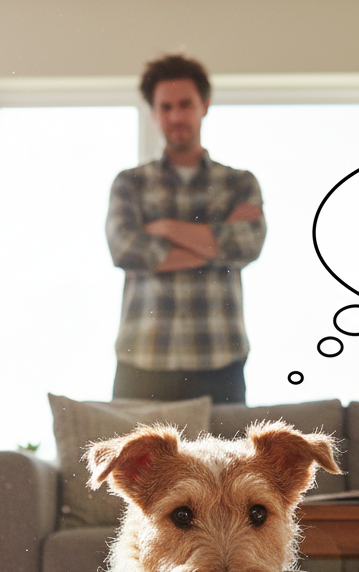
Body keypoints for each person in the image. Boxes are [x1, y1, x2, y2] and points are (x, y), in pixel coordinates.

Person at [106, 54, 266, 404]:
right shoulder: (129, 183)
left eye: (185, 104)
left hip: (219, 361)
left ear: (204, 106)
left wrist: (163, 228)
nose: (176, 116)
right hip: (142, 362)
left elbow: (247, 245)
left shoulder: (239, 183)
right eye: (166, 107)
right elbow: (126, 250)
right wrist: (215, 244)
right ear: (153, 113)